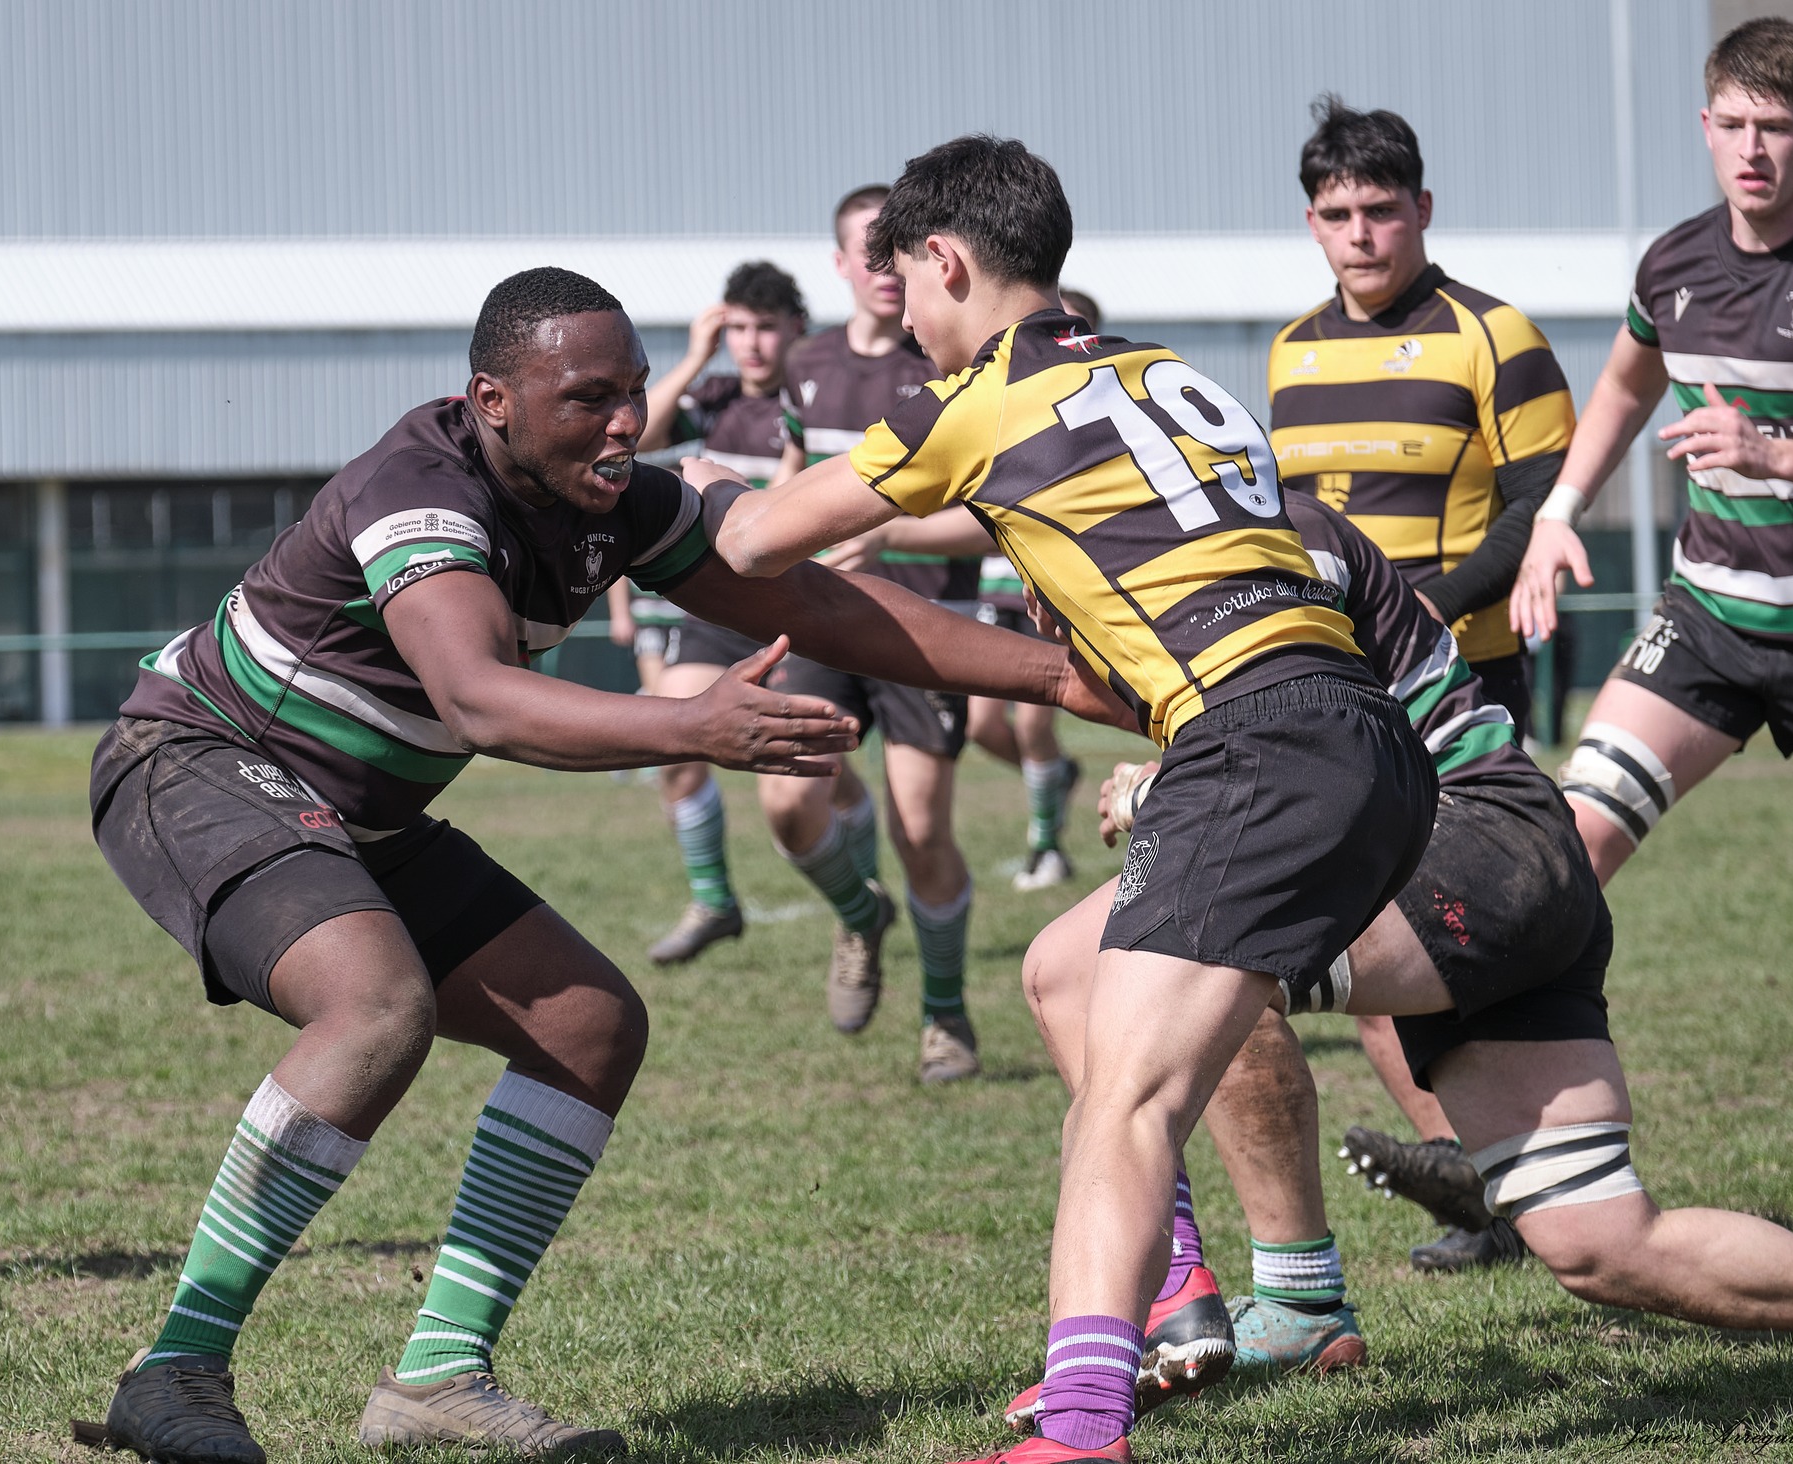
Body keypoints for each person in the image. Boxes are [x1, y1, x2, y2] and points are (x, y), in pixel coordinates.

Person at [78, 266, 1129, 1464]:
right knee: (374, 1006)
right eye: (587, 398)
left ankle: (436, 1374)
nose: (625, 422)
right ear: (492, 401)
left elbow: (825, 608)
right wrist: (690, 725)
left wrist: (1059, 678)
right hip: (201, 762)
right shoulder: (416, 492)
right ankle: (174, 1368)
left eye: (633, 392)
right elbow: (478, 700)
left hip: (355, 811)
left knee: (585, 1024)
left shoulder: (615, 496)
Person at [708, 136, 1436, 1464]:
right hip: (1362, 730)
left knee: (1128, 1103)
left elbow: (753, 543)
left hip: (1252, 745)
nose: (905, 326)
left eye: (908, 291)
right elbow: (993, 512)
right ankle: (1193, 1290)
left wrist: (703, 490)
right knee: (1062, 971)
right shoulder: (1154, 371)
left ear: (945, 261)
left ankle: (1084, 1426)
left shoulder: (964, 404)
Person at [1018, 490, 1793, 1422]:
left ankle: (1207, 1294)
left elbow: (1310, 739)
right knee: (1605, 1242)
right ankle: (1283, 1299)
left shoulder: (1247, 543)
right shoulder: (1226, 542)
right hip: (1519, 853)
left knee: (1119, 957)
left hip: (1464, 841)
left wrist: (1158, 786)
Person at [1266, 96, 1578, 1272]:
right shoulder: (1291, 351)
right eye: (1337, 213)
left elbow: (1534, 507)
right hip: (1341, 686)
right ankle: (1477, 1168)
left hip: (1456, 680)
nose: (1359, 234)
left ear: (1421, 210)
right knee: (1371, 923)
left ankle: (1503, 1164)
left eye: (1379, 211)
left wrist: (1416, 617)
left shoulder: (1492, 335)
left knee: (1442, 928)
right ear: (1311, 222)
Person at [1512, 17, 1793, 893]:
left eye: (1776, 125)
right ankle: (1534, 1034)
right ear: (1705, 127)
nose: (1751, 149)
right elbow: (1621, 388)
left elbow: (1764, 452)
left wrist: (1773, 454)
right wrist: (1557, 516)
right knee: (1569, 841)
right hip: (1710, 625)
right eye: (1732, 125)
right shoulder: (1673, 265)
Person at [761, 184, 988, 1082]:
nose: (883, 266)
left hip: (925, 628)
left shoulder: (951, 359)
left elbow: (991, 516)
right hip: (819, 619)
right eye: (867, 248)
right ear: (842, 263)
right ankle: (860, 916)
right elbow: (785, 493)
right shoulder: (807, 363)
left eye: (899, 249)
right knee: (787, 801)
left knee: (921, 831)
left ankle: (945, 1016)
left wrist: (892, 529)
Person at [605, 261, 808, 964]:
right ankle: (714, 900)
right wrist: (694, 357)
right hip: (719, 610)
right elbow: (638, 436)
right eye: (739, 329)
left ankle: (855, 904)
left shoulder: (814, 399)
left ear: (796, 330)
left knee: (806, 790)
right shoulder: (712, 396)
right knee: (674, 736)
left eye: (766, 328)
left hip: (801, 610)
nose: (751, 343)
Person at [963, 289, 1096, 891]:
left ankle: (1046, 845)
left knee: (1035, 723)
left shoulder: (1093, 404)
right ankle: (1054, 779)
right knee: (982, 726)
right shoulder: (1000, 397)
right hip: (996, 585)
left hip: (1052, 589)